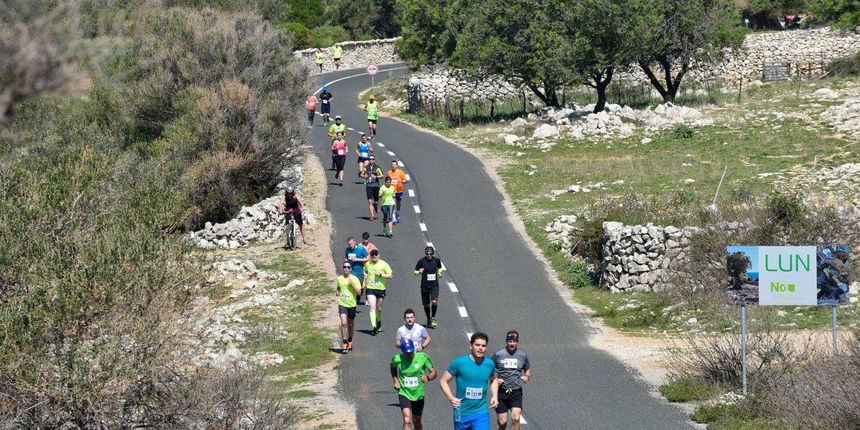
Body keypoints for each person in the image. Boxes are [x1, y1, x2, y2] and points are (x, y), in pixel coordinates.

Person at [440, 332, 498, 430]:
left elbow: (494, 380)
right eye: (477, 345)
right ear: (471, 345)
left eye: (483, 346)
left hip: (481, 413)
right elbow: (443, 381)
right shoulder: (459, 363)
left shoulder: (489, 364)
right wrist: (451, 398)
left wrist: (495, 396)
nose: (480, 348)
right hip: (462, 412)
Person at [391, 338, 437, 430]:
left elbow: (434, 372)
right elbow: (392, 367)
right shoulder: (397, 359)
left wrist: (428, 377)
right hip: (404, 393)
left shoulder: (422, 357)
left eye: (411, 352)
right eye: (406, 353)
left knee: (417, 421)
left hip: (418, 394)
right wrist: (395, 380)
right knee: (407, 420)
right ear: (402, 351)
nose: (409, 354)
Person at [492, 331, 531, 430]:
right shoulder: (498, 354)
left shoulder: (522, 355)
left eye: (514, 341)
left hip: (516, 391)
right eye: (510, 341)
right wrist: (496, 379)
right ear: (506, 341)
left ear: (517, 342)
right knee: (502, 422)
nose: (512, 343)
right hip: (501, 392)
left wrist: (526, 376)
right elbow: (489, 369)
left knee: (516, 418)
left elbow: (527, 370)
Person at [364, 248, 392, 335]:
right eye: (372, 255)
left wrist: (381, 275)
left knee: (379, 307)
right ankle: (374, 326)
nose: (374, 256)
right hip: (370, 288)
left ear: (379, 255)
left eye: (376, 254)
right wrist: (366, 278)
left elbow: (390, 276)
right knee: (372, 307)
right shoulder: (368, 264)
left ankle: (378, 321)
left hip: (380, 288)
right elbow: (364, 270)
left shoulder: (383, 264)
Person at [414, 246, 444, 328]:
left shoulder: (436, 261)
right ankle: (428, 318)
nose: (429, 255)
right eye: (427, 254)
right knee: (426, 305)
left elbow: (440, 268)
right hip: (424, 286)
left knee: (434, 301)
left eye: (430, 254)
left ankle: (433, 318)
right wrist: (418, 272)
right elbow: (415, 271)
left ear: (432, 254)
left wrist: (439, 273)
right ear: (425, 253)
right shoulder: (421, 261)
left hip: (434, 285)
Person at [336, 261, 362, 353]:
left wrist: (352, 285)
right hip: (342, 303)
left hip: (352, 304)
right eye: (344, 267)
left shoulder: (355, 279)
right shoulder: (339, 278)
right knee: (343, 323)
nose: (346, 268)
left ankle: (350, 340)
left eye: (348, 267)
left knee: (350, 324)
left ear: (351, 269)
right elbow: (339, 287)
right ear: (343, 268)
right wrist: (338, 291)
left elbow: (359, 292)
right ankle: (344, 342)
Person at [344, 236, 369, 303]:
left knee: (359, 289)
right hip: (351, 272)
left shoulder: (361, 249)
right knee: (351, 286)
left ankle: (358, 297)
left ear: (355, 242)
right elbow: (346, 258)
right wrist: (346, 265)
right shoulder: (347, 250)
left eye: (351, 244)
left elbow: (367, 258)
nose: (350, 246)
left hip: (359, 272)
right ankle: (352, 300)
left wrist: (358, 259)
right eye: (349, 244)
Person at [361, 155, 384, 222]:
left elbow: (382, 175)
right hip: (369, 186)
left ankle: (376, 205)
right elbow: (362, 174)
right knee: (370, 201)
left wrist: (376, 177)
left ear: (374, 160)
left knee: (376, 201)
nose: (371, 160)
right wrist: (364, 176)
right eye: (370, 159)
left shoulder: (377, 168)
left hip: (376, 186)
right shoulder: (366, 168)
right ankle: (372, 215)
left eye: (372, 159)